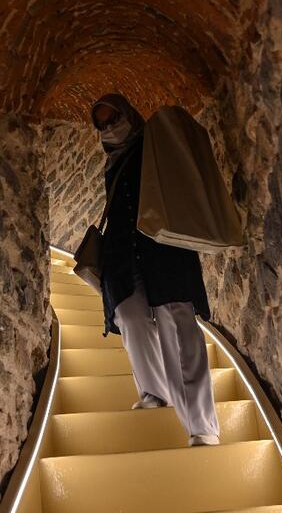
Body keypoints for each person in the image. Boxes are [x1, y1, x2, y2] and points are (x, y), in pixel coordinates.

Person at [90, 92, 221, 447]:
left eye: (114, 119)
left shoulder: (157, 144)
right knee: (130, 317)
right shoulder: (112, 163)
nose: (109, 128)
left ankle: (201, 425)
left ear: (129, 115)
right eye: (102, 124)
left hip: (164, 248)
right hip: (122, 254)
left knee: (177, 324)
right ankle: (154, 391)